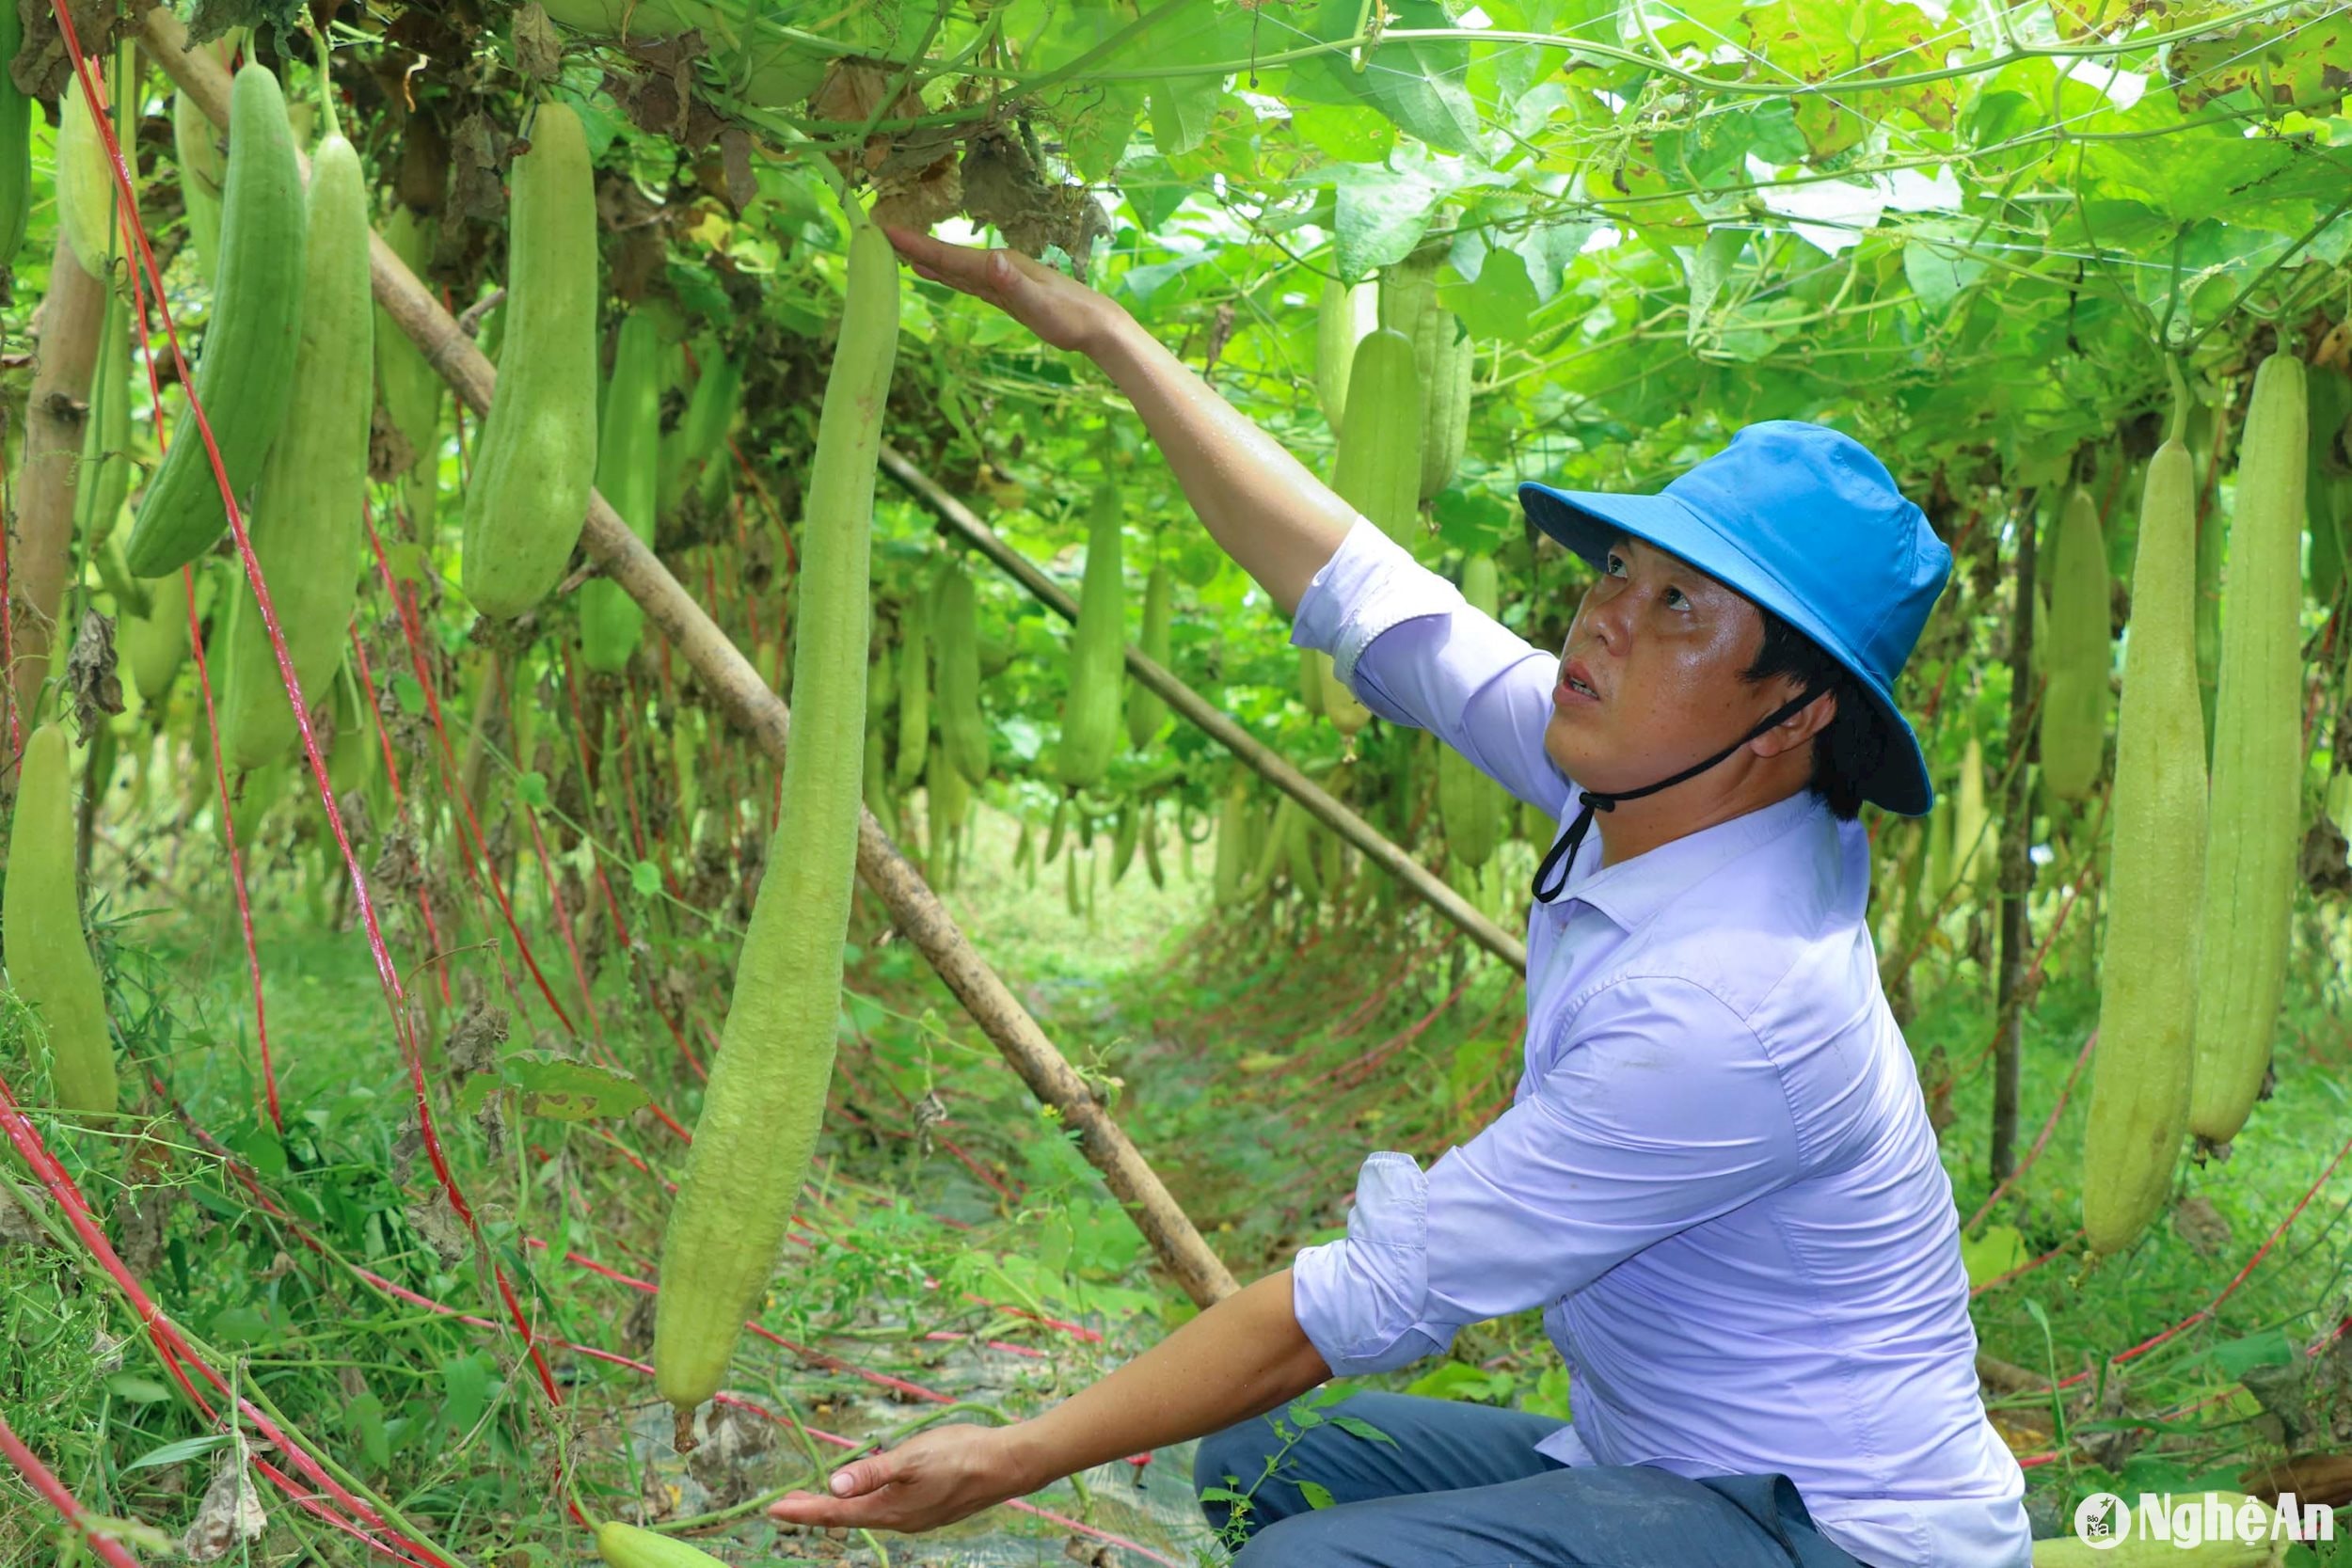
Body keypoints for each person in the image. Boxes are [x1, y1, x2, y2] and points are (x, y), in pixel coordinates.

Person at [766, 228, 2034, 1568]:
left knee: (1306, 1563)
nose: (1604, 617)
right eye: (1619, 572)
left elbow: (1364, 1302)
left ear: (1793, 713)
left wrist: (1011, 1457)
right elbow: (1368, 596)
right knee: (1270, 1464)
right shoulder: (1653, 794)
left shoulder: (1737, 1010)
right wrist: (1107, 338)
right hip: (1655, 1461)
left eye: (1680, 609)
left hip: (1839, 1534)